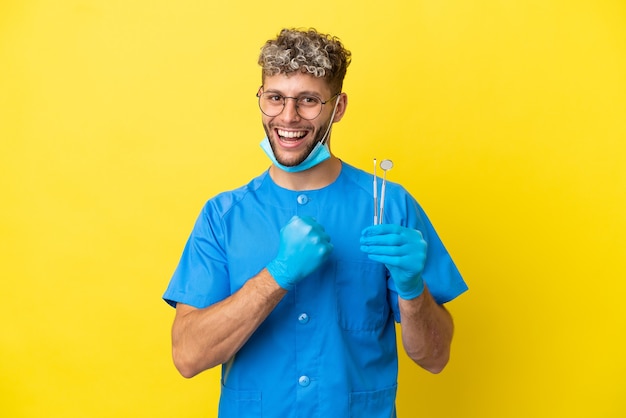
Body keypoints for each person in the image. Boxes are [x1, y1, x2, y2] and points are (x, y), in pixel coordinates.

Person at [163, 28, 468, 418]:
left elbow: (436, 357)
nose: (288, 117)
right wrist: (276, 275)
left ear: (337, 107)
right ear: (261, 99)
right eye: (275, 98)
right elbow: (187, 356)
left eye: (308, 100)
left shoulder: (390, 206)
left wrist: (413, 292)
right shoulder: (222, 216)